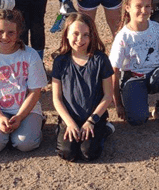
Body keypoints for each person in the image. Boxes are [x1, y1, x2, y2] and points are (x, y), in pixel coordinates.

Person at [0, 9, 46, 153]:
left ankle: (35, 123)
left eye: (11, 32)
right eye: (0, 32)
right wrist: (0, 117)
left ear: (18, 33)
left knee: (25, 144)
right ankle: (1, 131)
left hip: (26, 109)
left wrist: (19, 117)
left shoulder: (30, 55)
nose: (5, 37)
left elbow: (34, 92)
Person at [50, 13, 116, 162]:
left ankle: (104, 129)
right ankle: (61, 128)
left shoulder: (101, 60)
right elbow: (56, 98)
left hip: (93, 117)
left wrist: (91, 121)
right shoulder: (60, 61)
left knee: (88, 153)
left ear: (92, 36)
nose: (80, 40)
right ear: (66, 34)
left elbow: (108, 95)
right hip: (70, 117)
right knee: (67, 153)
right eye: (75, 34)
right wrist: (69, 123)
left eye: (86, 35)